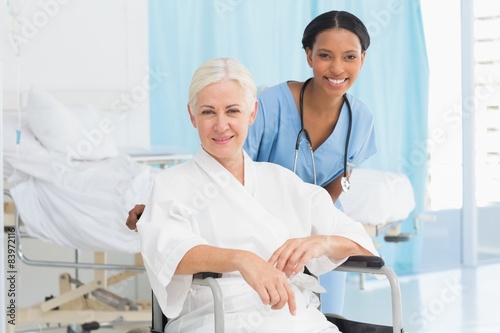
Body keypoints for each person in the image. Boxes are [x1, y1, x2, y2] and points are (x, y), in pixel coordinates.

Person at [127, 10, 376, 314]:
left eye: (233, 111)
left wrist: (319, 239)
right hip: (220, 315)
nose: (221, 125)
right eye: (208, 112)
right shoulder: (173, 184)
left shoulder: (286, 181)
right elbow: (173, 244)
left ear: (250, 113)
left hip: (298, 310)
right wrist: (241, 257)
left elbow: (359, 238)